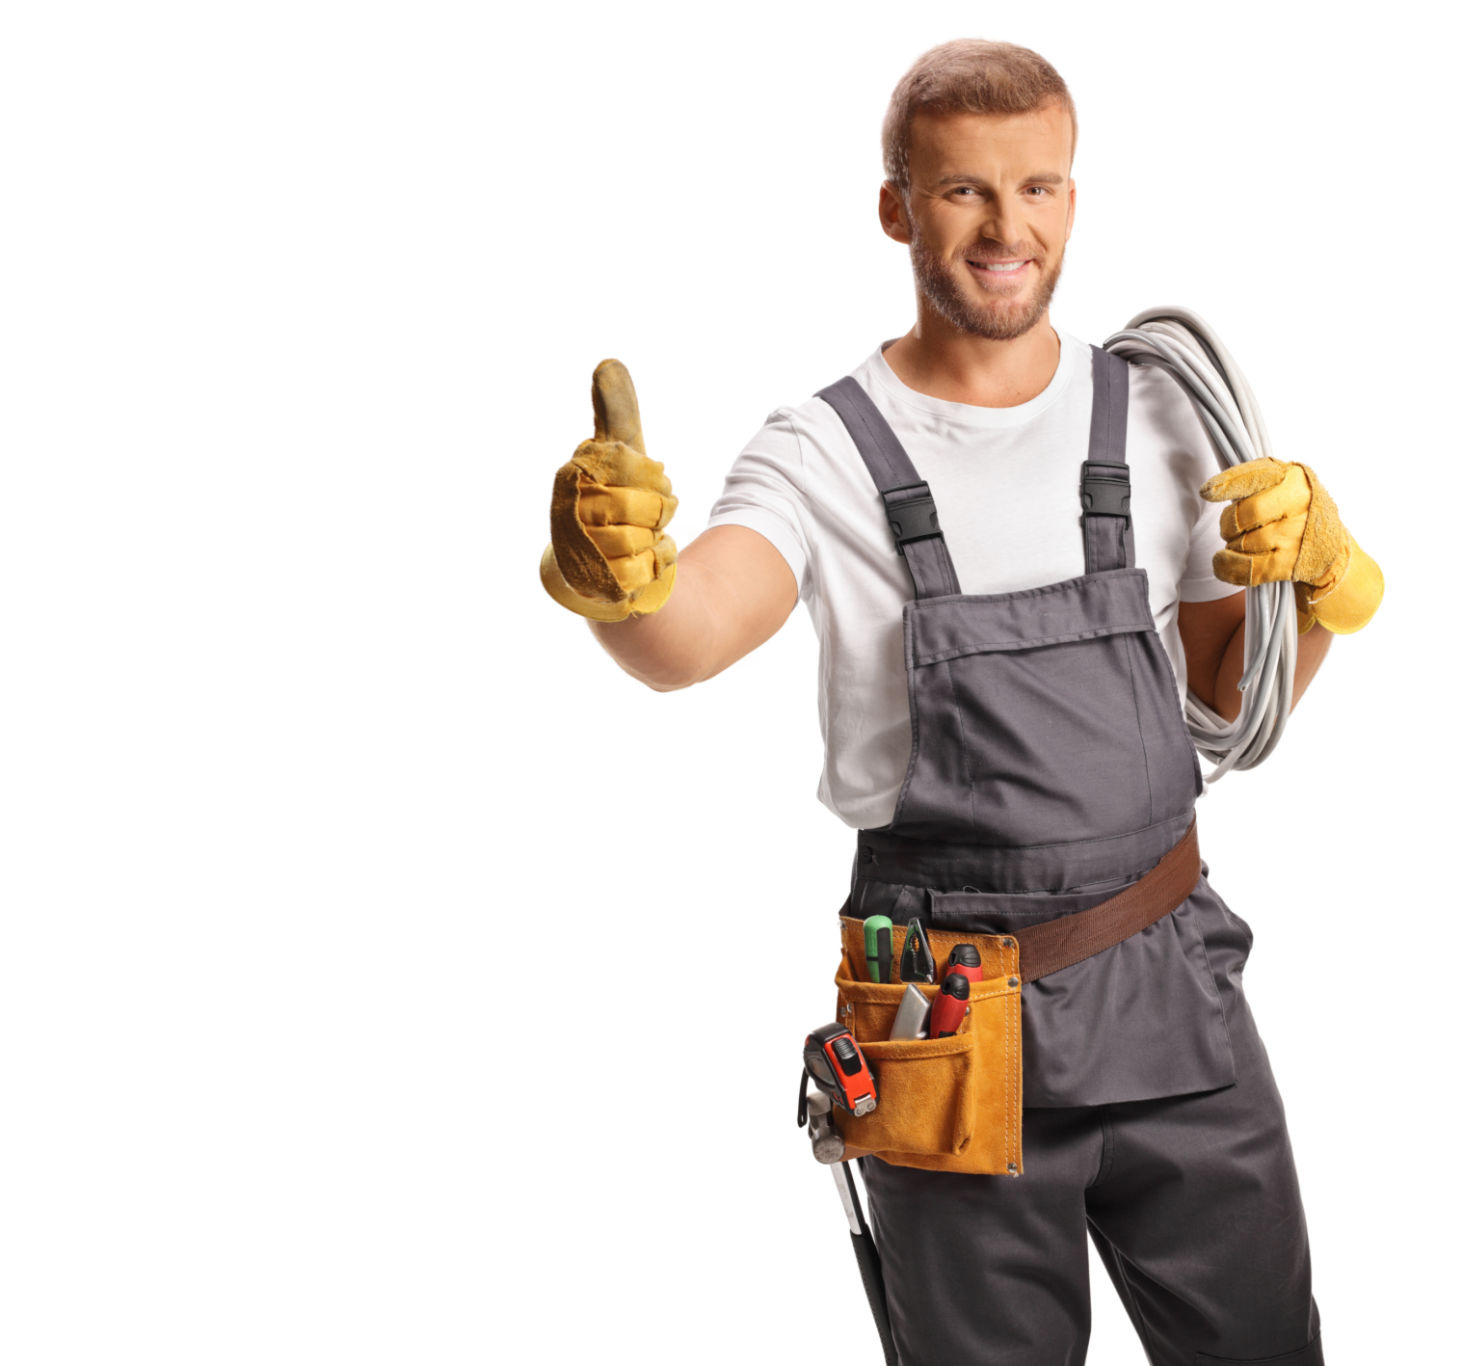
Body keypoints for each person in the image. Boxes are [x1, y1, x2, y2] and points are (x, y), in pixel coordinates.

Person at [537, 38, 1382, 1366]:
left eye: (1038, 188)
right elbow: (692, 633)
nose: (1007, 228)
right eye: (963, 193)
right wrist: (621, 589)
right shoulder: (825, 449)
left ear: (1072, 198)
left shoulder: (1154, 412)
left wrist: (1322, 590)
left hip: (1171, 986)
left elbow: (1232, 702)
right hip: (950, 1025)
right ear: (897, 208)